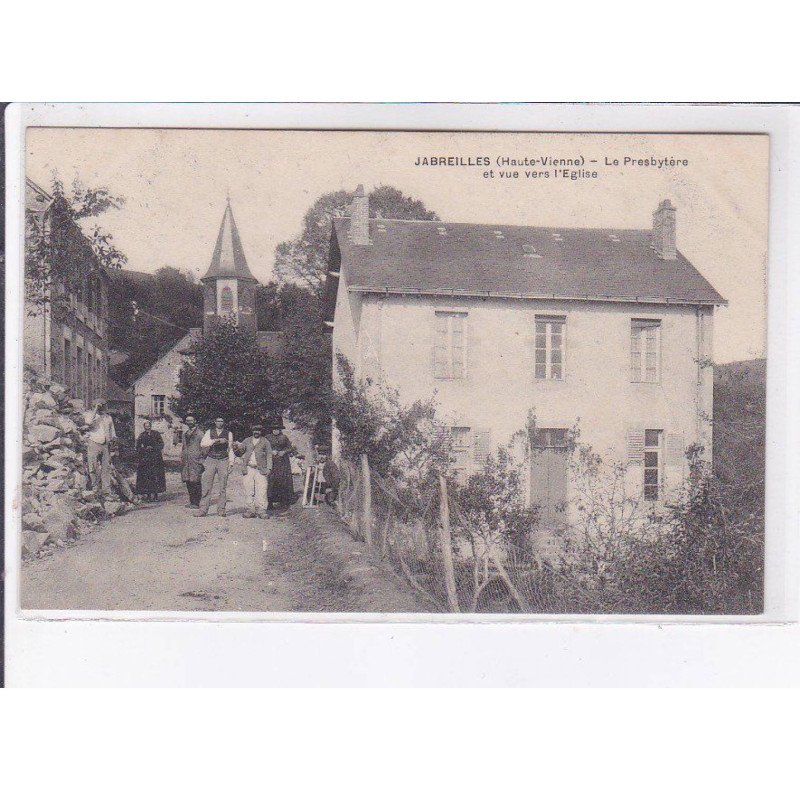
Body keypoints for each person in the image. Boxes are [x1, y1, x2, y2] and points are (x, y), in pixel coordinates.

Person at [195, 417, 234, 517]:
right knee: (206, 485)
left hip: (223, 460)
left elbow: (230, 449)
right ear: (215, 422)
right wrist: (215, 441)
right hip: (211, 459)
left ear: (224, 422)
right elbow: (203, 444)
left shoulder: (228, 433)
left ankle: (221, 510)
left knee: (222, 486)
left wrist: (231, 463)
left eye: (222, 421)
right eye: (218, 421)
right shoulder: (209, 432)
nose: (220, 423)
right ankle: (203, 510)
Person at [236, 423, 273, 519]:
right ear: (252, 431)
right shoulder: (247, 440)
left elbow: (269, 454)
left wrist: (269, 468)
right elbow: (240, 452)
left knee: (262, 489)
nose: (256, 432)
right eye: (254, 430)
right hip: (248, 468)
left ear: (261, 432)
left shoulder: (265, 441)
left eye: (258, 430)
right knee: (248, 489)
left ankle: (261, 510)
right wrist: (237, 447)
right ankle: (250, 509)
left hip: (261, 469)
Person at [84, 399, 116, 497]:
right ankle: (95, 487)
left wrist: (113, 442)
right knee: (93, 466)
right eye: (99, 406)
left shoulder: (108, 417)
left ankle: (106, 490)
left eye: (103, 405)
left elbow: (112, 431)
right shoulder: (90, 415)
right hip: (94, 442)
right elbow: (88, 422)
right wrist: (95, 409)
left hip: (105, 445)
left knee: (106, 468)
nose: (102, 407)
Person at [135, 420, 167, 501]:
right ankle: (148, 495)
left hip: (155, 458)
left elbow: (161, 444)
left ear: (150, 426)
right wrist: (144, 449)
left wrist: (154, 448)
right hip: (146, 459)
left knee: (155, 475)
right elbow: (138, 447)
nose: (147, 427)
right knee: (147, 477)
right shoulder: (142, 435)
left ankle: (156, 495)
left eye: (148, 426)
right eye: (145, 426)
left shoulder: (156, 434)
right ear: (144, 427)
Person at [267, 419, 295, 510]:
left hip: (283, 462)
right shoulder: (267, 438)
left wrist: (284, 451)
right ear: (271, 429)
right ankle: (270, 502)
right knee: (271, 480)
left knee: (283, 479)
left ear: (280, 429)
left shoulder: (284, 437)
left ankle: (284, 502)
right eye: (274, 429)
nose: (276, 430)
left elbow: (290, 448)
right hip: (271, 461)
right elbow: (263, 448)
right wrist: (271, 451)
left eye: (277, 429)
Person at [179, 414, 204, 508]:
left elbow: (205, 447)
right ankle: (192, 502)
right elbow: (183, 447)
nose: (189, 422)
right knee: (188, 481)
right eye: (187, 421)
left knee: (196, 481)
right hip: (186, 461)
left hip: (196, 460)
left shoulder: (200, 434)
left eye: (191, 420)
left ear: (195, 421)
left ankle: (197, 502)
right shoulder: (185, 434)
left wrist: (201, 458)